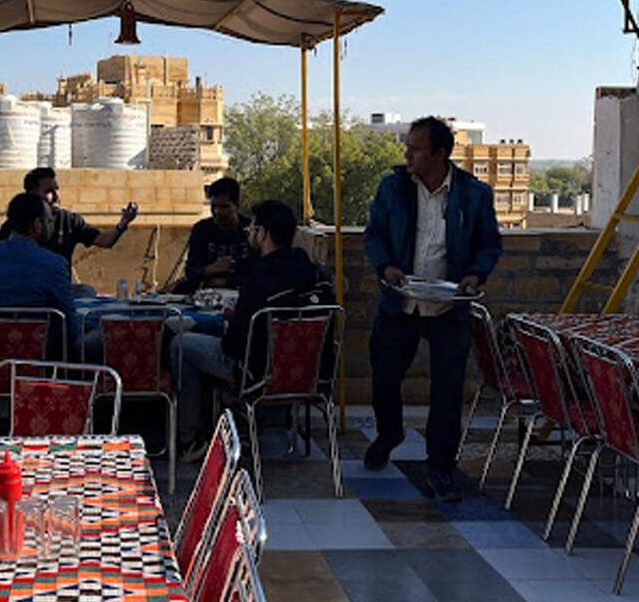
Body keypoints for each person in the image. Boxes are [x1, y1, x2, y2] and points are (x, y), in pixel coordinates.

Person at [363, 116, 501, 502]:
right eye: (407, 146)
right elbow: (374, 235)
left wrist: (476, 274)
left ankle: (441, 468)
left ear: (439, 153)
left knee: (447, 391)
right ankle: (390, 432)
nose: (407, 153)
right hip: (400, 302)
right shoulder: (393, 188)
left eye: (416, 148)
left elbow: (489, 244)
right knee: (385, 375)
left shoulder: (474, 194)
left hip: (449, 308)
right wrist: (385, 266)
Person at [170, 199, 329, 460]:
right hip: (310, 376)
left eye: (253, 230)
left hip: (257, 375)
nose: (250, 235)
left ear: (263, 234)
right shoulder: (316, 275)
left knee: (180, 345)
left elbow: (232, 345)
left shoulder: (258, 281)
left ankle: (189, 438)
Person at [0, 193, 81, 366]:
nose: (51, 228)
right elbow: (70, 328)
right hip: (43, 366)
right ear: (37, 225)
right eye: (49, 222)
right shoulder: (54, 265)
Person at [0, 167, 139, 281]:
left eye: (56, 189)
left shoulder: (69, 221)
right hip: (26, 288)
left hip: (57, 285)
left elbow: (104, 241)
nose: (56, 196)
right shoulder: (14, 224)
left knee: (86, 292)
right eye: (49, 191)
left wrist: (122, 224)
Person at [176, 177, 254, 293]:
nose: (217, 212)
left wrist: (228, 281)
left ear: (237, 206)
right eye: (214, 206)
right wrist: (211, 269)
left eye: (224, 207)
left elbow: (262, 271)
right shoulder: (201, 229)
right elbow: (191, 270)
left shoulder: (252, 229)